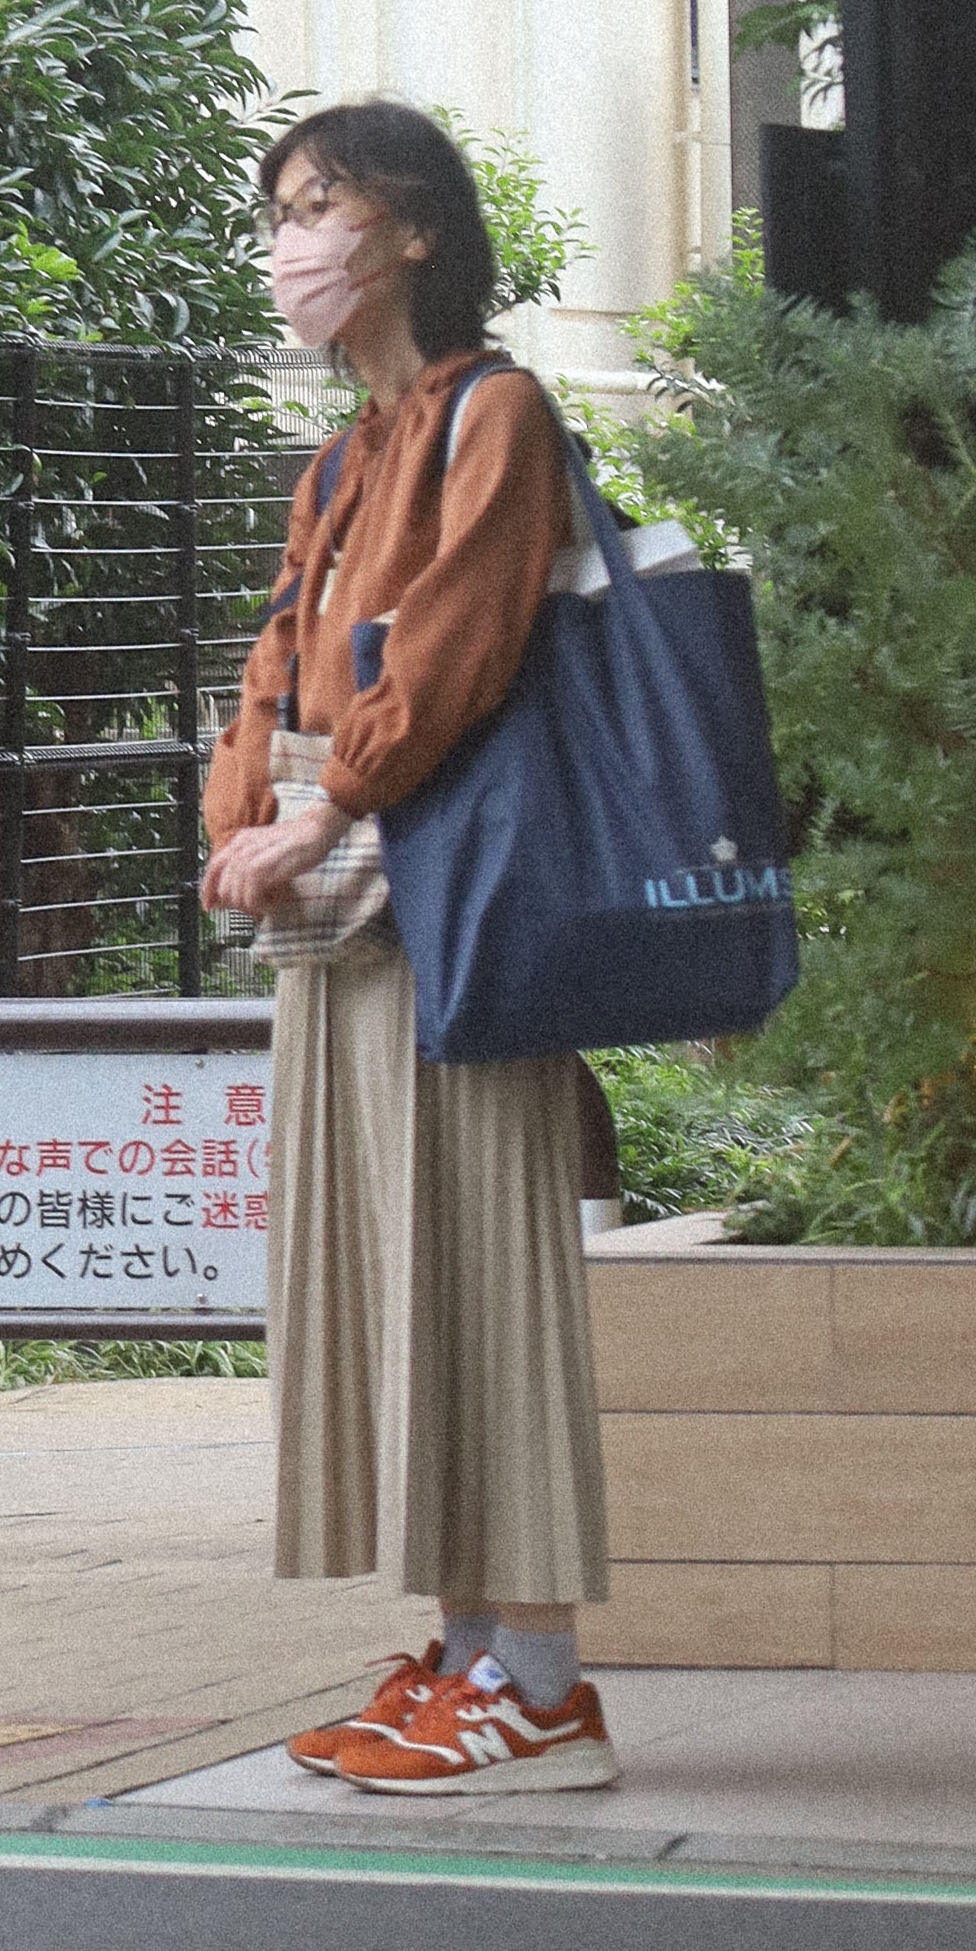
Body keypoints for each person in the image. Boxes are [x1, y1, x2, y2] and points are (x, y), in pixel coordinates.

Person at [201, 100, 616, 1794]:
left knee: (485, 1273)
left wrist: (321, 803)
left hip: (450, 898)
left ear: (417, 232)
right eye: (283, 212)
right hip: (346, 911)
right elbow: (279, 660)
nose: (297, 243)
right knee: (399, 1276)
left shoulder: (492, 415)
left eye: (325, 206)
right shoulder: (352, 451)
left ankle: (542, 1679)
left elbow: (446, 650)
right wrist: (244, 812)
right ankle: (461, 1654)